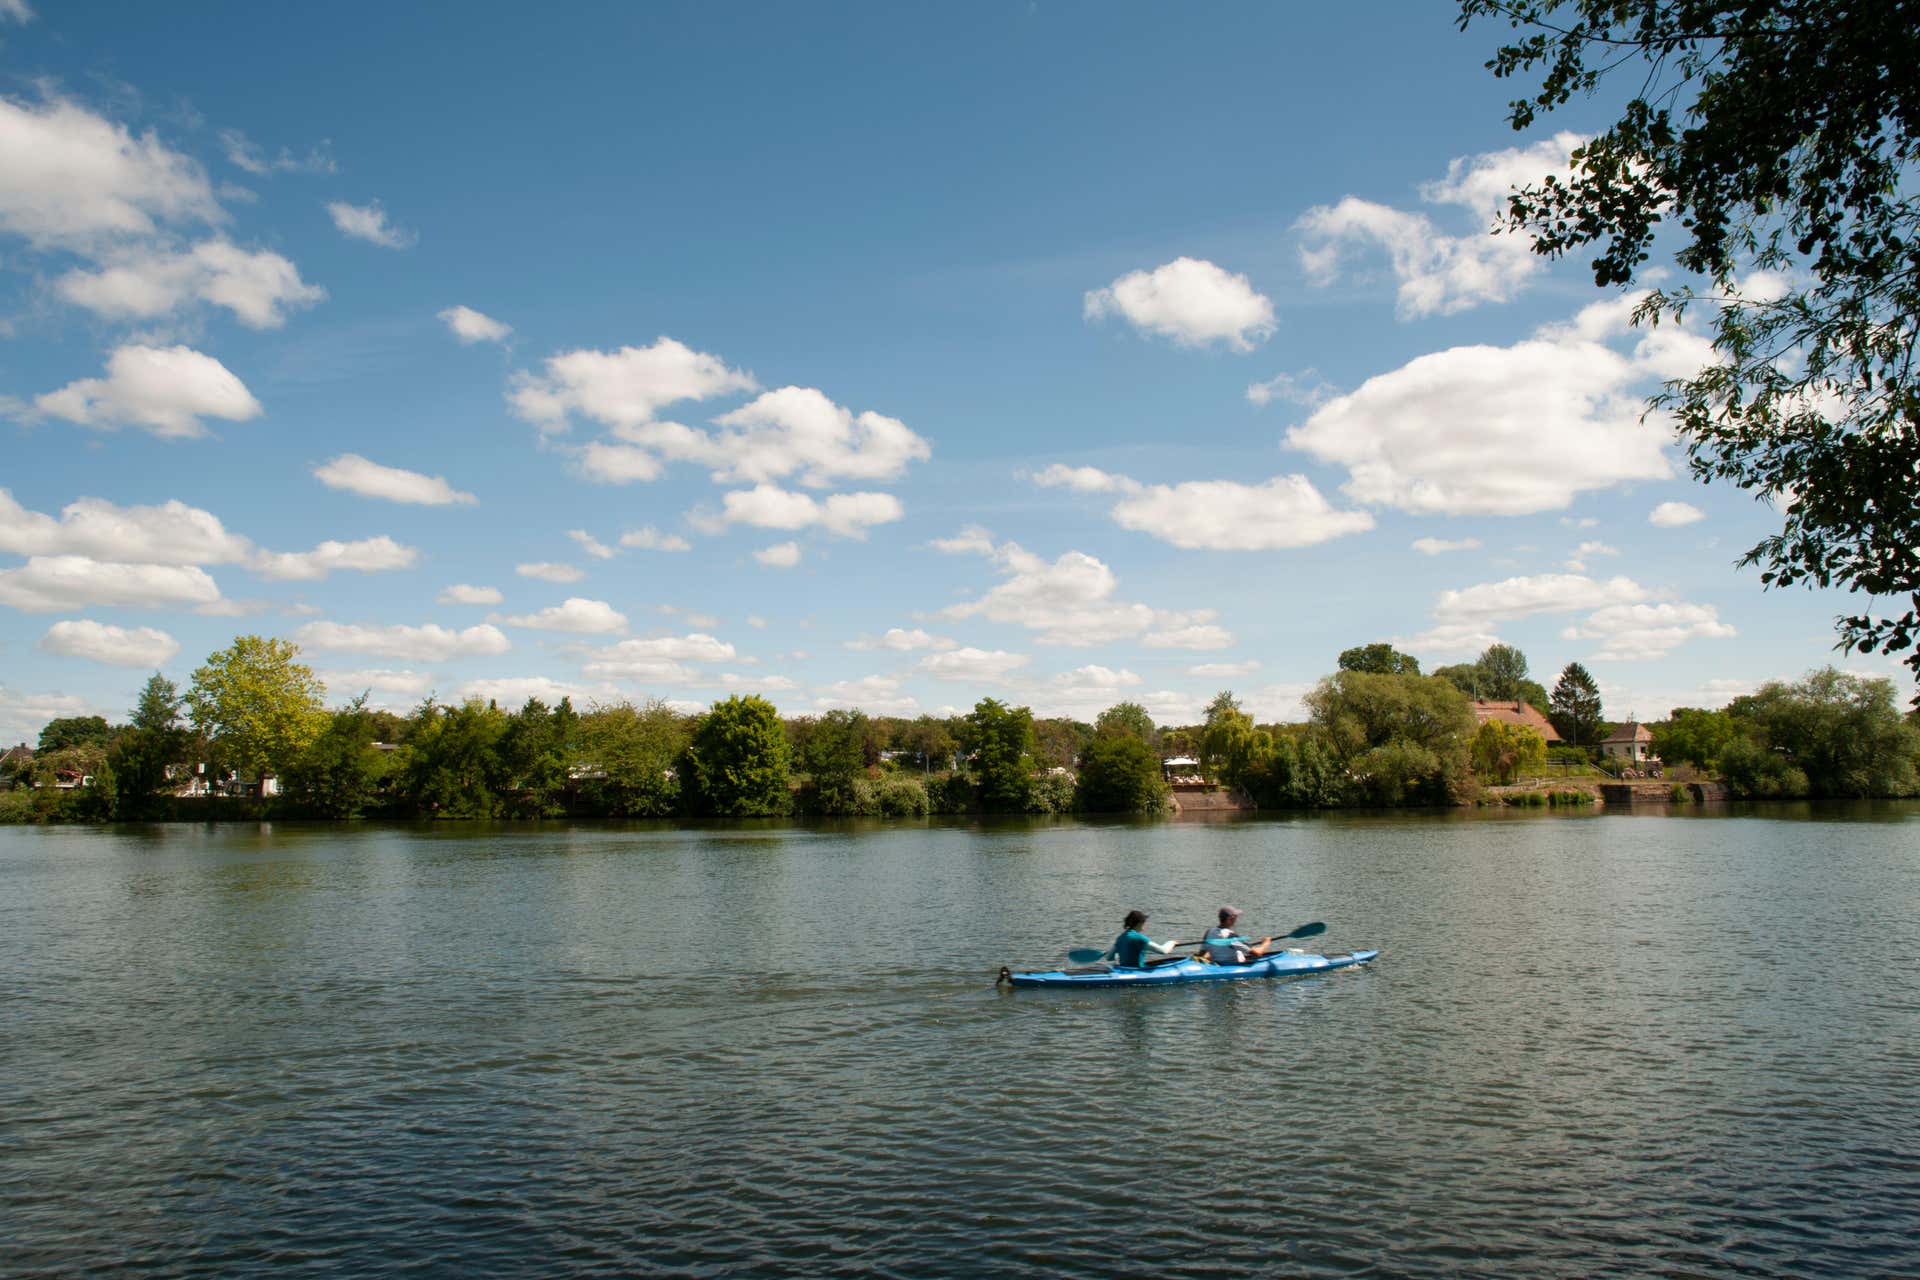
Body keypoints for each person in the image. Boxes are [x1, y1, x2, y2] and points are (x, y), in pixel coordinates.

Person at [1103, 910, 1180, 968]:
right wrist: (1171, 943)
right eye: (1144, 922)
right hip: (1136, 970)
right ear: (1140, 923)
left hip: (1124, 969)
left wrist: (1120, 955)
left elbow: (1109, 958)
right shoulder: (1139, 938)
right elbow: (1163, 950)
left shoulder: (1120, 938)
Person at [1201, 906, 1273, 965]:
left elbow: (1201, 953)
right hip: (1230, 965)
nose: (1236, 919)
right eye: (1235, 917)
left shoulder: (1209, 932)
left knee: (1239, 952)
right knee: (1243, 953)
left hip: (1216, 964)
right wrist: (1266, 942)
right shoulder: (1231, 935)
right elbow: (1258, 953)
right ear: (1230, 919)